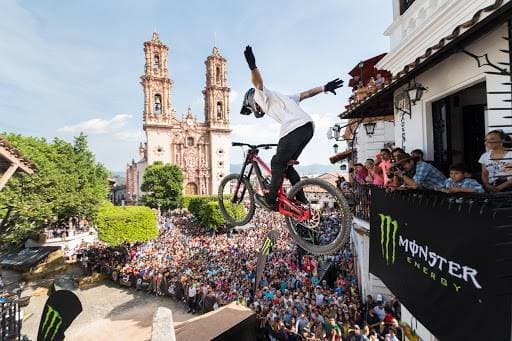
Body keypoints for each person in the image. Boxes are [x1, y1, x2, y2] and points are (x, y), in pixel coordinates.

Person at [241, 45, 344, 211]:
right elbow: (307, 93)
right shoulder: (285, 98)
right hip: (308, 127)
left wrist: (252, 65)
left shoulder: (261, 96)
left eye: (253, 109)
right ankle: (301, 198)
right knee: (287, 166)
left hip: (294, 128)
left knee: (276, 162)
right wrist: (325, 87)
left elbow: (258, 83)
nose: (257, 111)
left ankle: (270, 200)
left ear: (252, 101)